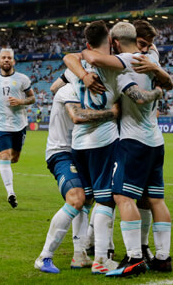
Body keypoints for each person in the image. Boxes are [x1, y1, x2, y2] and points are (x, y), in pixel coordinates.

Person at [80, 21, 173, 276]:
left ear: (116, 42)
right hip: (156, 140)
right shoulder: (151, 56)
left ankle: (134, 258)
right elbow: (167, 83)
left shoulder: (122, 65)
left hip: (134, 141)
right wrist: (160, 87)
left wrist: (87, 62)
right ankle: (163, 258)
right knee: (155, 199)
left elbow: (138, 96)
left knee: (123, 197)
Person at [34, 81, 117, 274]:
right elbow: (77, 116)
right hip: (61, 152)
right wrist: (113, 113)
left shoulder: (94, 92)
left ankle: (80, 255)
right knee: (76, 198)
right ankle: (44, 256)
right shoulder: (68, 90)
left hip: (82, 150)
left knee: (87, 200)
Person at [0, 48, 35, 208]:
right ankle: (11, 193)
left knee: (15, 158)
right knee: (4, 155)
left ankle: (9, 181)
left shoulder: (22, 79)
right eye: (3, 58)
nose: (6, 60)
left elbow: (32, 98)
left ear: (13, 61)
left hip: (18, 124)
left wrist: (21, 102)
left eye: (9, 58)